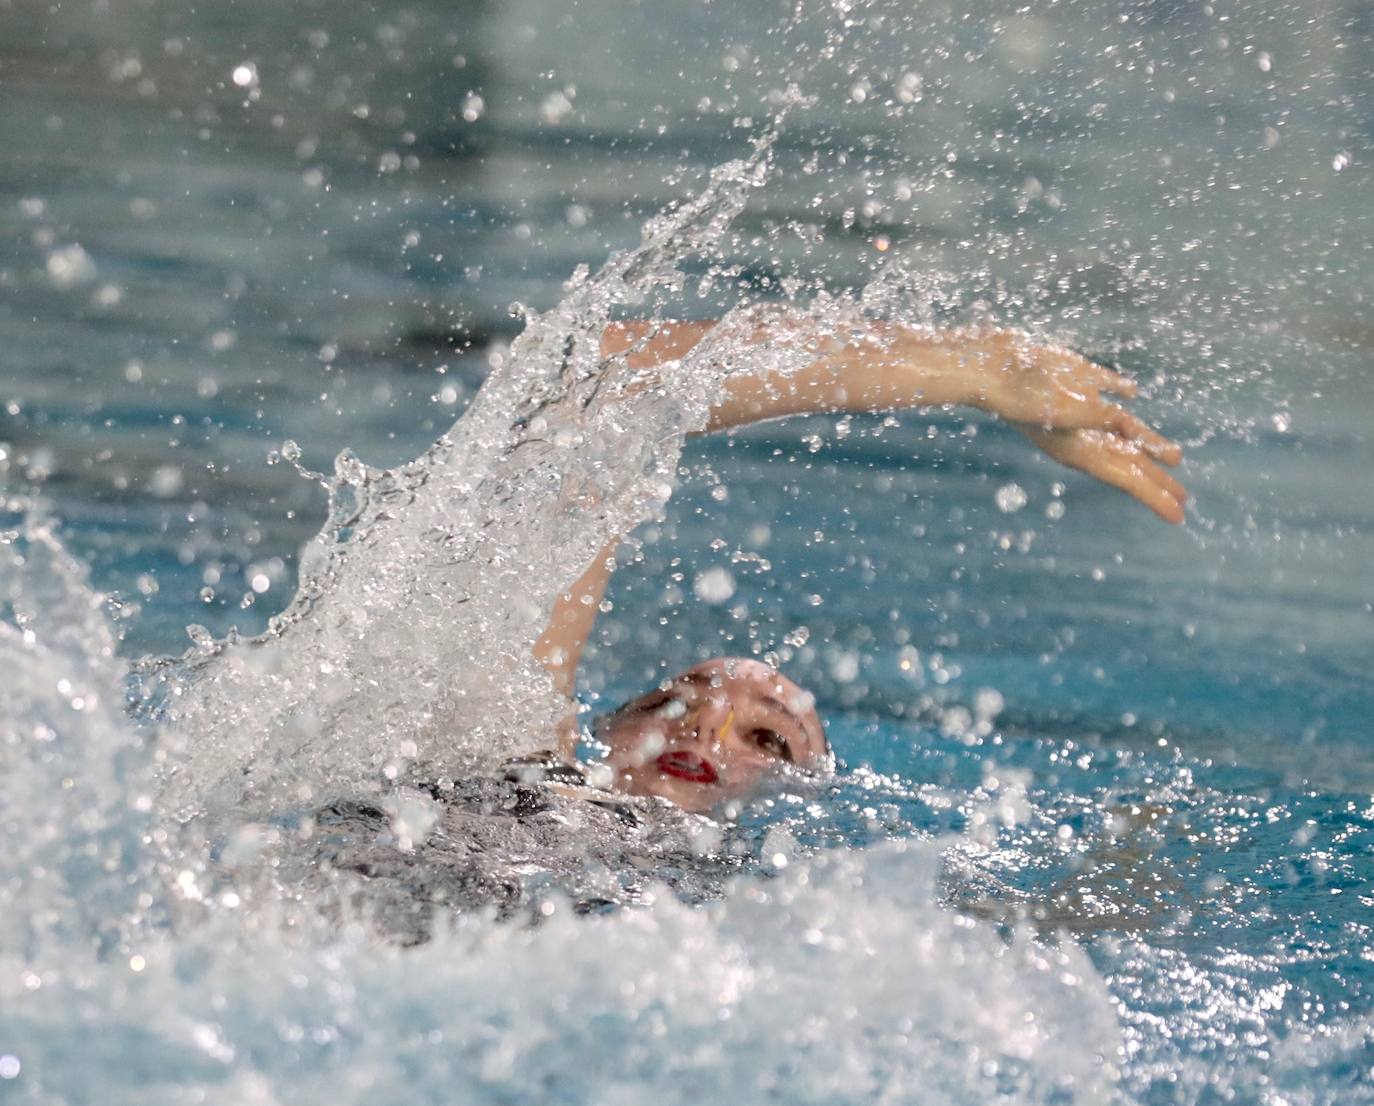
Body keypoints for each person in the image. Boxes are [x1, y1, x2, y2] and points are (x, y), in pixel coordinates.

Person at [526, 318, 1188, 814]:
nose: (703, 729)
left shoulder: (813, 934)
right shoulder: (515, 771)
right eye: (669, 703)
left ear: (803, 805)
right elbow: (604, 393)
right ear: (604, 732)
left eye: (767, 741)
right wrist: (977, 370)